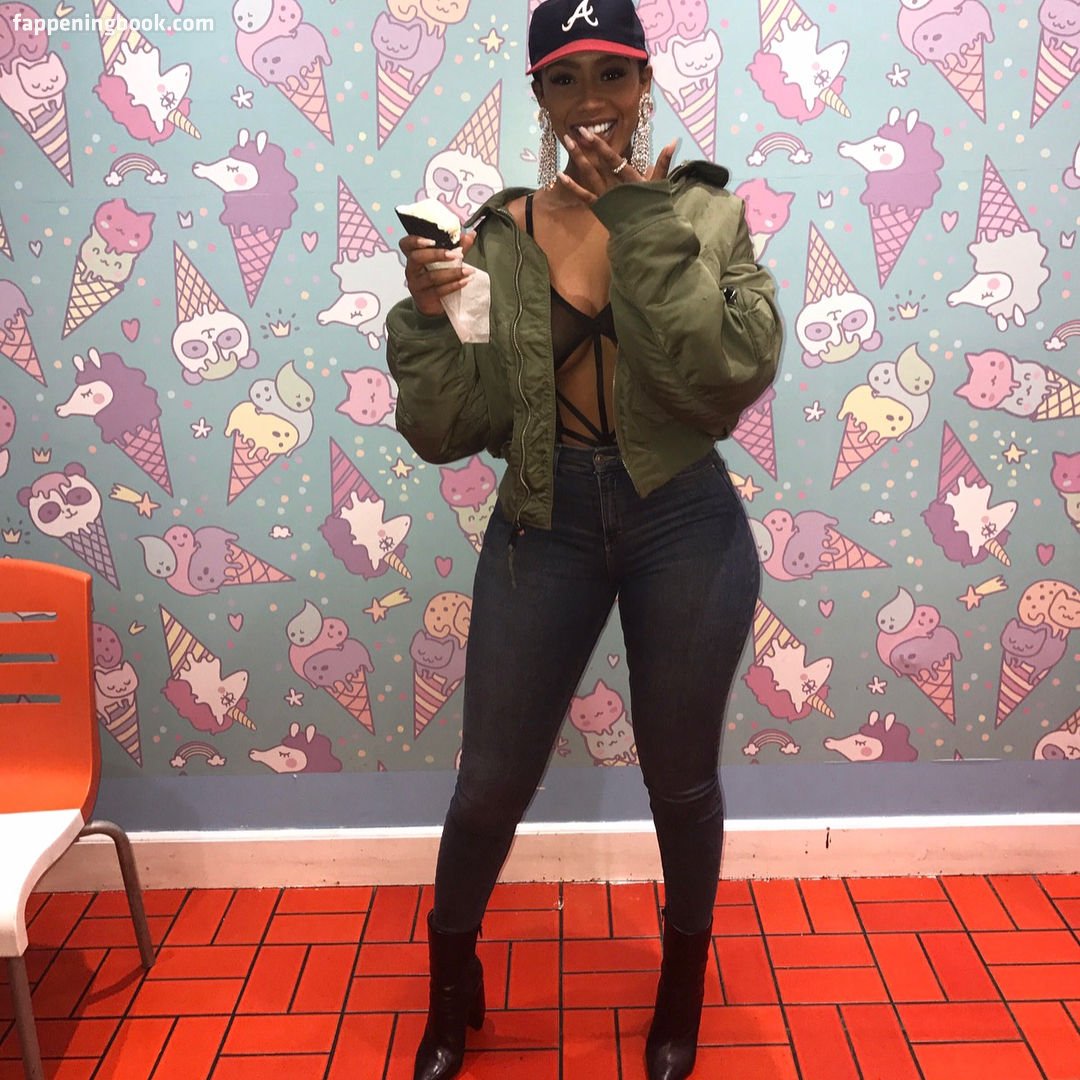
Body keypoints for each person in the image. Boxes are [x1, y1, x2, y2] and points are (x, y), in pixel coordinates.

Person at [386, 1, 782, 1076]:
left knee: (681, 783)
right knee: (488, 785)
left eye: (612, 73)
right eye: (565, 78)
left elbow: (722, 381)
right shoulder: (499, 236)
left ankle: (680, 991)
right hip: (543, 519)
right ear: (540, 98)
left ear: (645, 82)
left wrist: (641, 221)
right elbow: (452, 428)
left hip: (683, 522)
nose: (591, 99)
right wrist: (426, 317)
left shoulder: (704, 215)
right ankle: (450, 986)